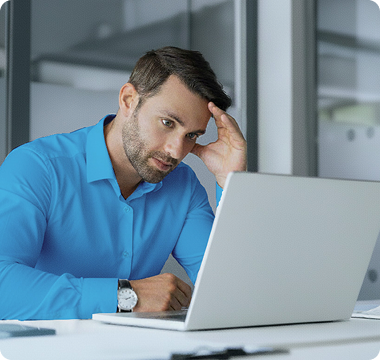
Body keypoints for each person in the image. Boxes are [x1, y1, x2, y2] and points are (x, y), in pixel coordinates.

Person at [0, 46, 247, 320]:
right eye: (167, 123)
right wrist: (127, 296)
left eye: (191, 135)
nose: (177, 150)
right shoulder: (37, 167)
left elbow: (233, 290)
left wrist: (231, 180)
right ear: (128, 100)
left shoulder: (184, 187)